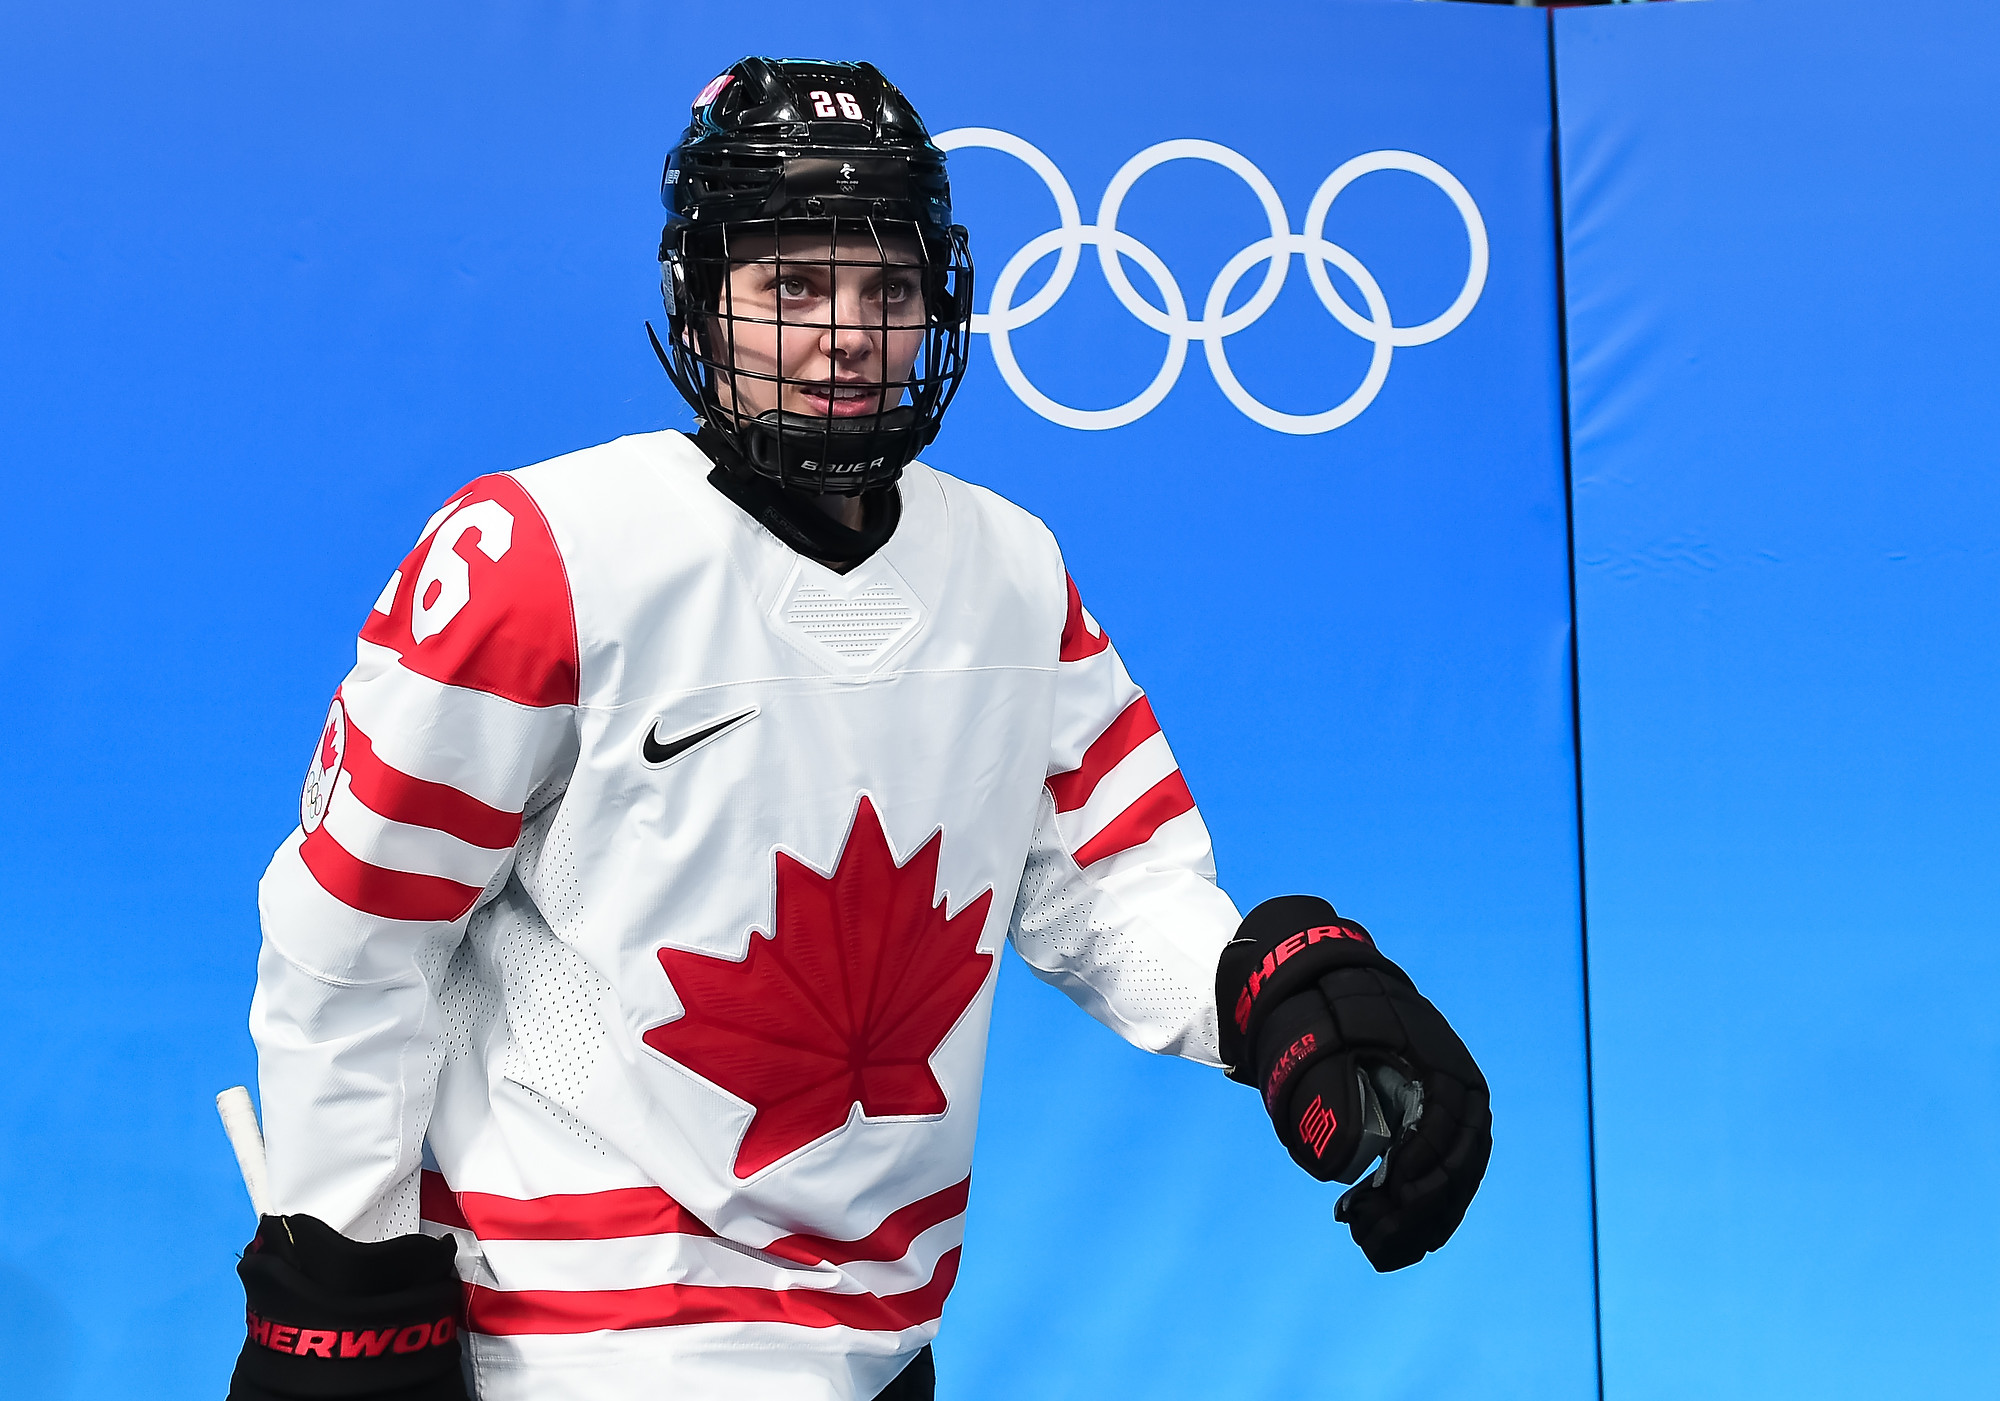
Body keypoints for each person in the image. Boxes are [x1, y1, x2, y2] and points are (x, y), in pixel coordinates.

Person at [229, 56, 1492, 1401]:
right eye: (793, 287)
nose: (848, 333)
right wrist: (340, 1267)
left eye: (889, 289)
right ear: (698, 298)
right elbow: (356, 937)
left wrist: (1269, 991)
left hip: (877, 1343)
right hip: (575, 1335)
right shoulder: (543, 554)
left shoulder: (1011, 568)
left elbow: (1110, 886)